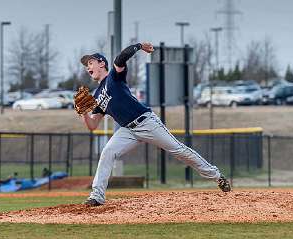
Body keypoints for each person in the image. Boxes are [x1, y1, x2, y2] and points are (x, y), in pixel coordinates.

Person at [79, 42, 231, 206]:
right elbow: (92, 125)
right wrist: (83, 113)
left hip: (146, 122)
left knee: (179, 150)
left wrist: (138, 46)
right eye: (86, 65)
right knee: (107, 152)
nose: (88, 67)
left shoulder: (113, 77)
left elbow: (121, 58)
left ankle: (217, 176)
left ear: (102, 63)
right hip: (127, 131)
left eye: (90, 63)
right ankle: (97, 196)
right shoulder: (96, 96)